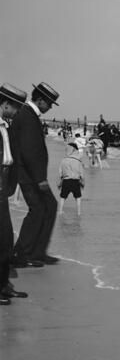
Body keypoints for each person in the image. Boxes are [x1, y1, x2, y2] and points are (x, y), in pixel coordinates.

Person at [9, 82, 60, 268]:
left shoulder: (27, 114)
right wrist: (40, 179)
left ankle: (36, 252)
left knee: (45, 207)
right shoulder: (28, 116)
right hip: (30, 175)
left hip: (29, 173)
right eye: (49, 104)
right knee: (39, 209)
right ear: (40, 100)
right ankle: (24, 254)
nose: (49, 108)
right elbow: (30, 151)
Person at [0, 84, 29, 305]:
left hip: (3, 187)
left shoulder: (5, 125)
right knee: (2, 238)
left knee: (6, 238)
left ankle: (3, 285)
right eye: (16, 108)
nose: (17, 112)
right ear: (6, 104)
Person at [58, 143, 84, 216]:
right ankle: (79, 212)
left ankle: (60, 211)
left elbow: (60, 173)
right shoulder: (78, 161)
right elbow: (82, 174)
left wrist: (59, 184)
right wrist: (83, 183)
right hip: (76, 181)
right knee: (78, 197)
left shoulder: (63, 160)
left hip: (66, 181)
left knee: (63, 197)